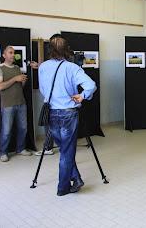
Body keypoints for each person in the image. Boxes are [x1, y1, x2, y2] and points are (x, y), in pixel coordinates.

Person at [39, 35, 97, 196]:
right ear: (66, 50)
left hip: (51, 113)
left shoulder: (43, 67)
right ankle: (63, 188)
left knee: (65, 150)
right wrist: (82, 96)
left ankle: (76, 179)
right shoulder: (72, 68)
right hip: (68, 114)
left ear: (50, 50)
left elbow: (44, 90)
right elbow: (91, 85)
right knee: (66, 152)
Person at [0, 46, 37, 162]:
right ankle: (3, 152)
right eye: (10, 52)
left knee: (23, 128)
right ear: (4, 55)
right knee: (6, 131)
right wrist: (15, 79)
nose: (13, 55)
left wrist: (22, 81)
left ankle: (20, 149)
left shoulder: (17, 68)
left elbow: (19, 87)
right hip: (7, 104)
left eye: (14, 53)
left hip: (21, 103)